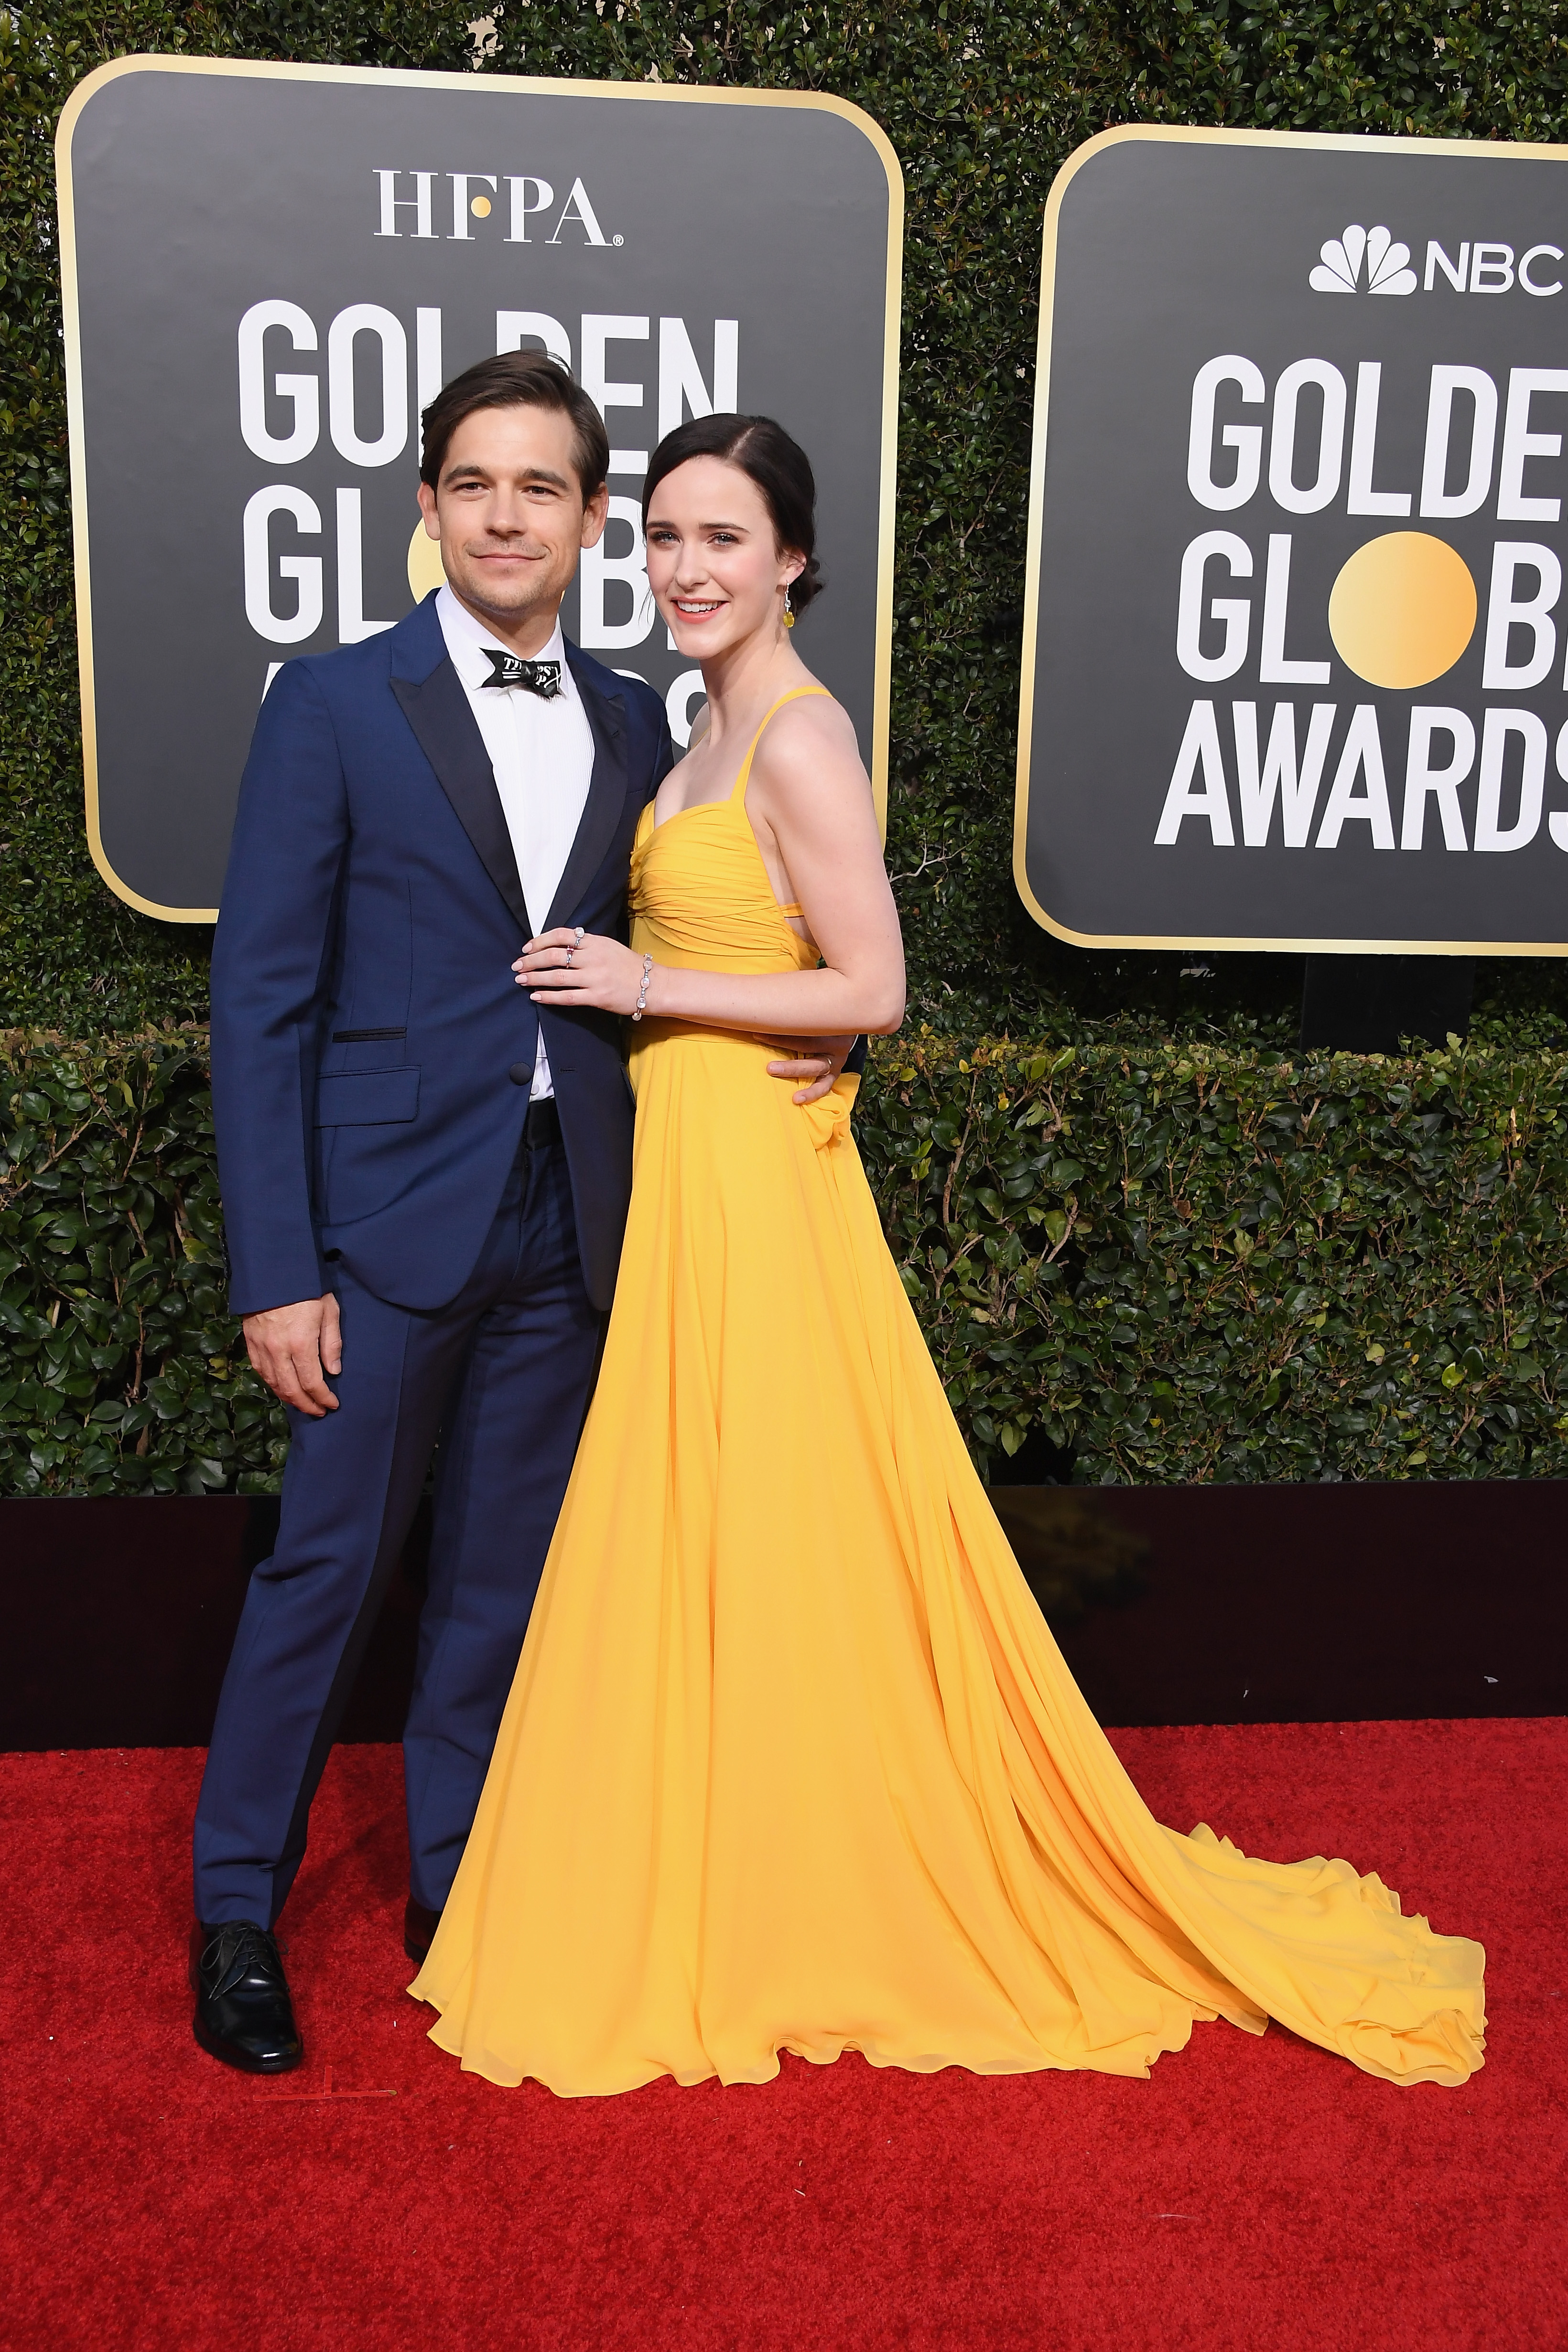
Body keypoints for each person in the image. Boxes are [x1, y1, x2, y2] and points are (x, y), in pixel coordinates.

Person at [411, 412, 1485, 2095]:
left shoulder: (796, 735)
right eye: (667, 536)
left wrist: (646, 984)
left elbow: (873, 985)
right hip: (696, 1165)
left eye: (724, 539)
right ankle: (731, 1857)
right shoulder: (700, 719)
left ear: (792, 559)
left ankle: (799, 1882)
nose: (687, 568)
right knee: (717, 1523)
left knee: (779, 1521)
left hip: (755, 1184)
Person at [193, 355, 848, 2074]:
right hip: (382, 1231)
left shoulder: (641, 719)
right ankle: (237, 1908)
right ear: (428, 506)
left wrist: (832, 1032)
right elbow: (260, 1004)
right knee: (326, 1570)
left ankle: (462, 1884)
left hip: (578, 1223)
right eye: (472, 484)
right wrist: (278, 1268)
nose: (504, 516)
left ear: (588, 519)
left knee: (500, 1581)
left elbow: (742, 928)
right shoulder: (330, 702)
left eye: (540, 487)